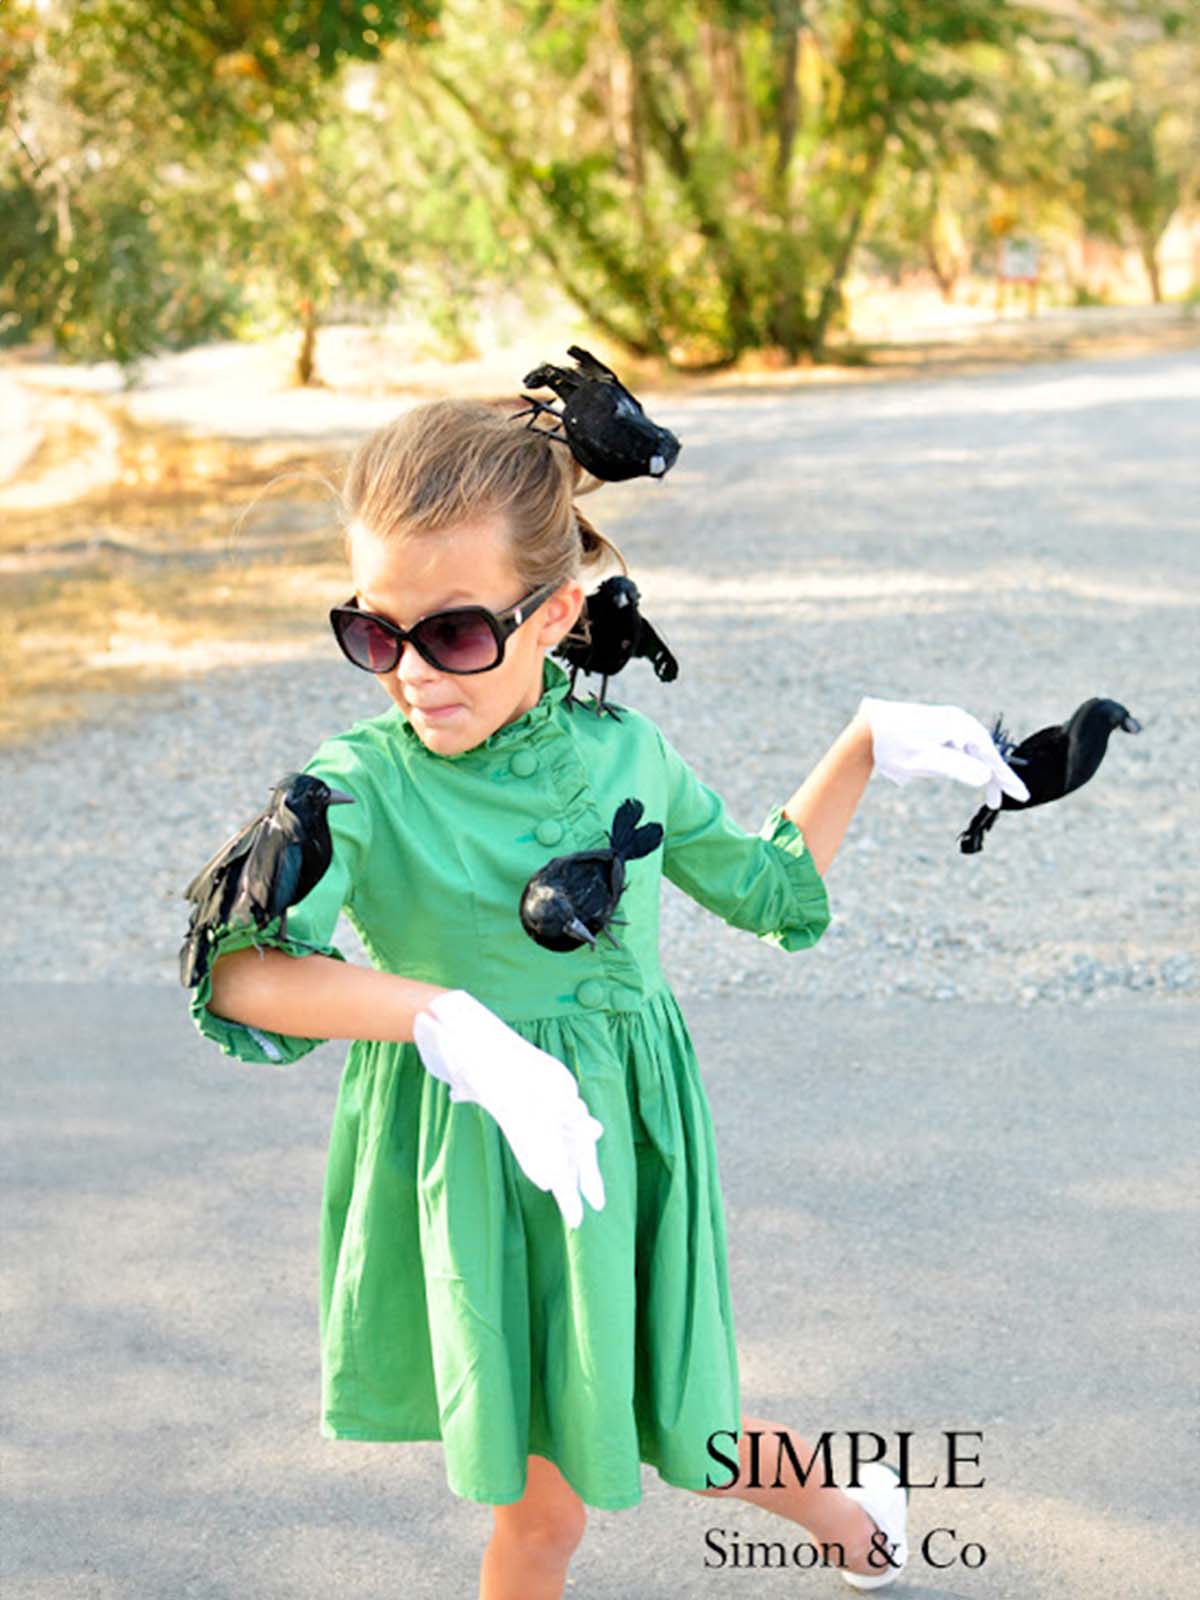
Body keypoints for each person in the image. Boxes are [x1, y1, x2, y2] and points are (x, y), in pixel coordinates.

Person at [187, 397, 1027, 1600]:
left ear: (557, 612)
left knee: (673, 1416)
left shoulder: (629, 756)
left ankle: (853, 1515)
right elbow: (243, 973)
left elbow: (768, 889)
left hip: (624, 1134)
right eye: (376, 635)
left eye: (459, 633)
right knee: (545, 1507)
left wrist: (864, 746)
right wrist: (444, 1017)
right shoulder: (357, 786)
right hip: (474, 1148)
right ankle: (854, 1518)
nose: (416, 675)